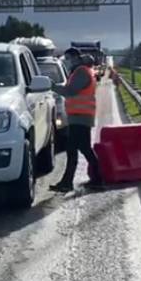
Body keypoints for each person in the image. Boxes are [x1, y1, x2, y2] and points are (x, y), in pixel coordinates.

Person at [49, 48, 103, 192]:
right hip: (79, 116)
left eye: (68, 58)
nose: (66, 61)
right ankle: (95, 180)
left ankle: (69, 183)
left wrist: (53, 87)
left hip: (80, 116)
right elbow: (70, 89)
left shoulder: (81, 72)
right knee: (82, 149)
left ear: (75, 58)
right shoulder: (82, 71)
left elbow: (70, 91)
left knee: (74, 149)